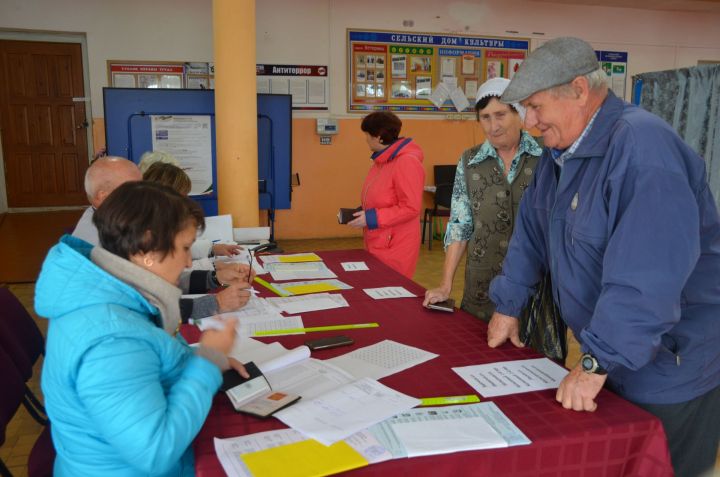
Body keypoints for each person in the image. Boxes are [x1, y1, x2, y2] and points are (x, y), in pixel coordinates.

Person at [486, 37, 720, 477]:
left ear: (578, 89)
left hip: (672, 358)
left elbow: (647, 276)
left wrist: (595, 362)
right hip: (617, 348)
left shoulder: (643, 148)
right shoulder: (560, 154)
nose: (531, 123)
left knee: (666, 467)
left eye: (536, 107)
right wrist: (508, 304)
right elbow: (531, 235)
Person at [35, 181, 249, 476]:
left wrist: (194, 360)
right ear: (146, 246)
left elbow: (150, 355)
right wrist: (207, 362)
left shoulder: (111, 294)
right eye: (184, 248)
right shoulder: (110, 341)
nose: (188, 260)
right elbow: (155, 452)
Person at [423, 78, 542, 322]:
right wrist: (445, 284)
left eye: (500, 115)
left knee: (532, 355)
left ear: (518, 113)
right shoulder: (470, 161)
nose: (493, 125)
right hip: (482, 284)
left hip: (536, 284)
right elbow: (459, 225)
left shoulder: (545, 156)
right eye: (485, 117)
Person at [75, 157, 249, 319]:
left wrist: (214, 278)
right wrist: (216, 302)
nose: (147, 195)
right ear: (103, 196)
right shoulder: (102, 241)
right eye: (134, 190)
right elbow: (147, 308)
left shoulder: (114, 225)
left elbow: (156, 280)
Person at [348, 111, 425, 278]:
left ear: (379, 138)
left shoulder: (407, 162)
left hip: (396, 243)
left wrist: (372, 218)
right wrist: (364, 212)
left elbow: (411, 207)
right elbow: (383, 197)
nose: (366, 139)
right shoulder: (381, 161)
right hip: (378, 238)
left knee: (389, 289)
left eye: (367, 135)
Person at [73, 156, 142, 245]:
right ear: (104, 197)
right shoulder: (100, 240)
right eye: (133, 190)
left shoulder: (106, 217)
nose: (143, 194)